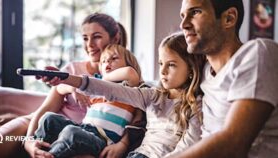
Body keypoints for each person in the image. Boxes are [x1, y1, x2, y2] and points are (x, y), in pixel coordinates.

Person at [0, 13, 129, 158]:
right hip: (36, 125)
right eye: (84, 38)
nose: (89, 44)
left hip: (77, 139)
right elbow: (46, 109)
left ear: (115, 38)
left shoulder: (126, 79)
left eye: (96, 37)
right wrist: (28, 141)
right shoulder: (73, 69)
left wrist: (123, 144)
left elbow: (139, 119)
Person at [43, 32, 206, 158]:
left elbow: (187, 149)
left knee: (71, 133)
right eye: (160, 64)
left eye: (171, 65)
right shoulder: (152, 95)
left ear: (191, 69)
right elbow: (111, 91)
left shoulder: (196, 105)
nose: (162, 71)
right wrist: (66, 78)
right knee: (52, 121)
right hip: (136, 155)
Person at [166, 0, 278, 157]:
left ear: (229, 18)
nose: (183, 24)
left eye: (195, 12)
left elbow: (233, 144)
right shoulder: (204, 72)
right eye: (183, 15)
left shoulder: (259, 53)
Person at [34, 44, 143, 158]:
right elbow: (60, 88)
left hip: (102, 140)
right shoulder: (96, 89)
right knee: (49, 118)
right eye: (103, 61)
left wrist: (104, 79)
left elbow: (130, 73)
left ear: (129, 63)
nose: (107, 63)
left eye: (114, 58)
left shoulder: (129, 90)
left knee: (71, 133)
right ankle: (39, 150)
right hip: (84, 129)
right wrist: (73, 89)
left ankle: (49, 155)